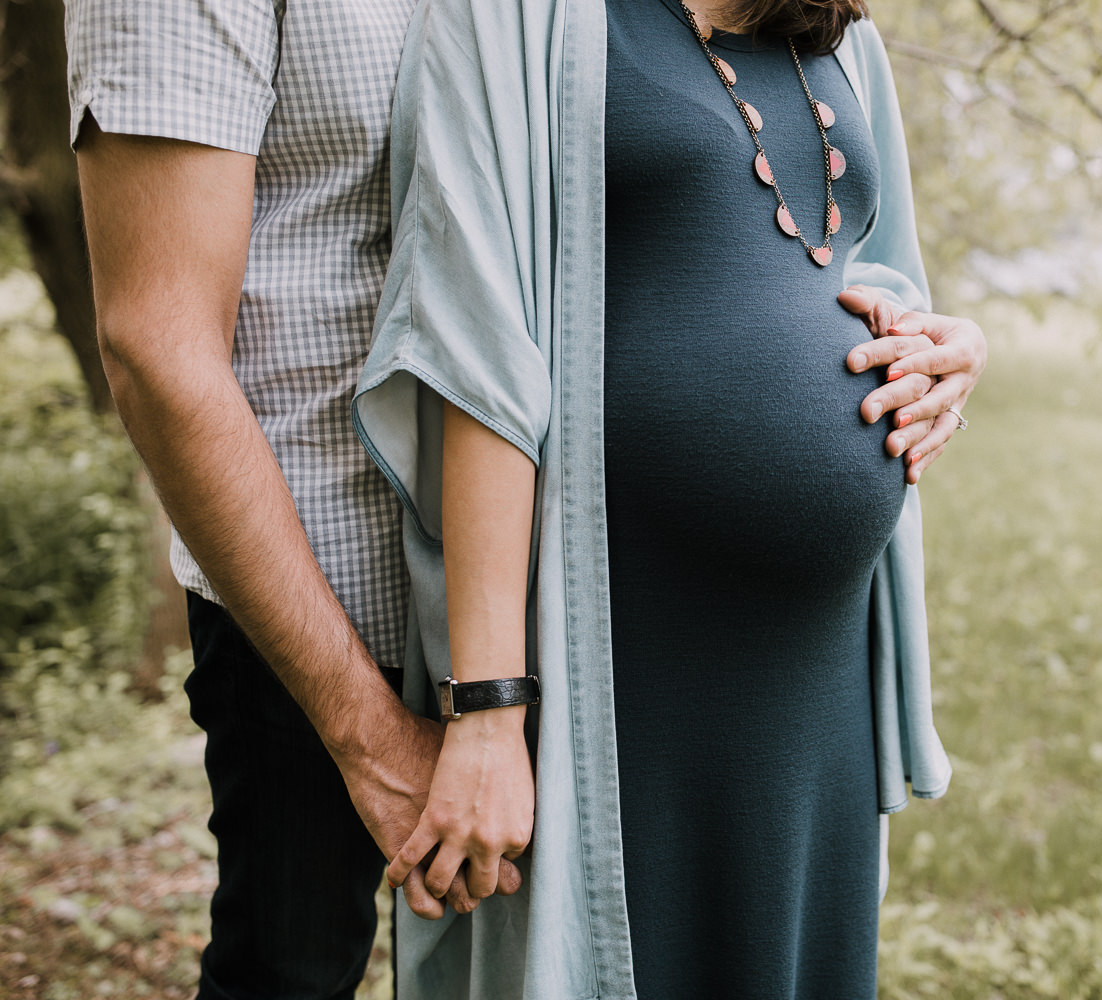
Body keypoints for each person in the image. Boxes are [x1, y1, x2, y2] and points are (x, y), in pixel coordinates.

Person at [64, 1, 986, 998]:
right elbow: (160, 348)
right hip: (323, 588)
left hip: (570, 605)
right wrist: (395, 729)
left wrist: (931, 345)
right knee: (294, 972)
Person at [352, 0, 980, 995]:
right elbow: (475, 353)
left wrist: (950, 349)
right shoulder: (515, 18)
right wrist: (485, 709)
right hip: (628, 655)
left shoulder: (837, 33)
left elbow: (871, 262)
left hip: (813, 675)